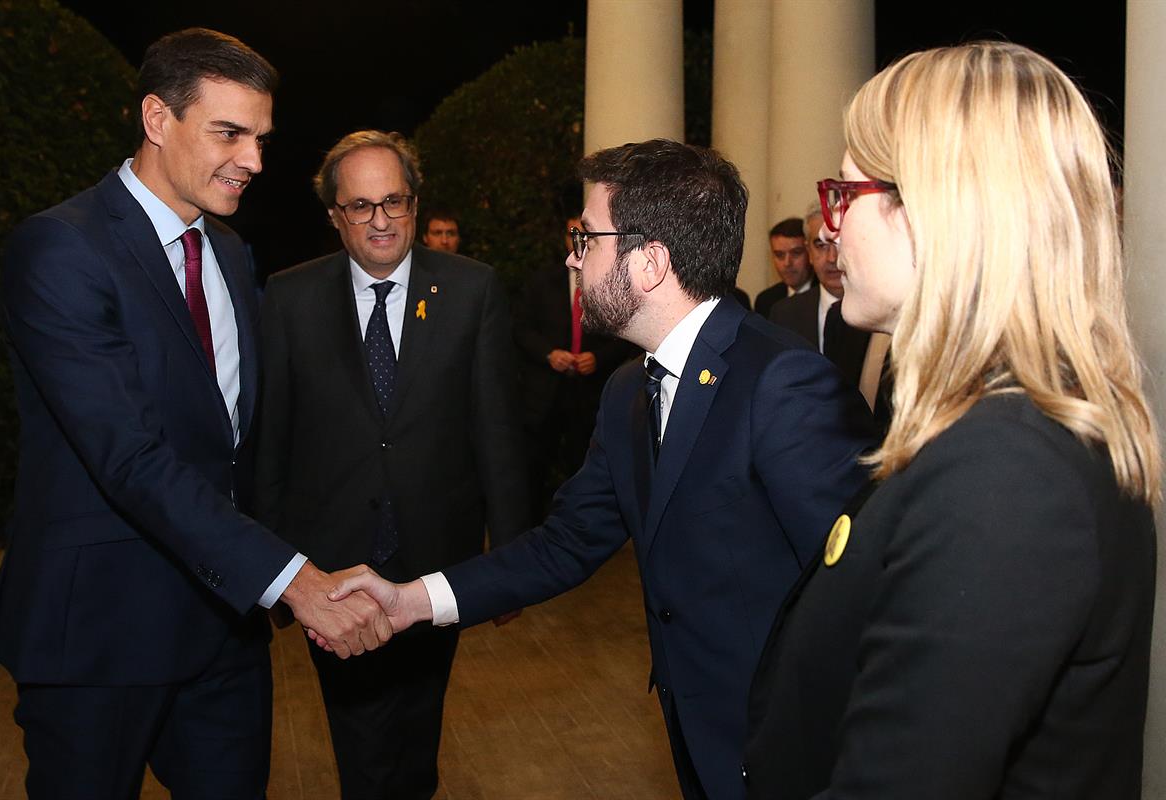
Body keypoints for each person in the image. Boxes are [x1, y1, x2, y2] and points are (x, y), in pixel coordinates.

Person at [327, 139, 879, 800]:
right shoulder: (627, 394)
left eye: (586, 238)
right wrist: (409, 600)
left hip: (792, 755)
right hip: (698, 737)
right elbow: (563, 544)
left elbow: (858, 602)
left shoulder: (784, 385)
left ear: (648, 262)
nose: (572, 255)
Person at [742, 41, 1159, 799]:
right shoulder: (1003, 431)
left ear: (935, 205)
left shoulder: (1007, 471)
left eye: (844, 195)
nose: (827, 232)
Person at [0, 28, 388, 800]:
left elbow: (240, 444)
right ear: (157, 118)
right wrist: (294, 582)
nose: (255, 161)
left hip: (221, 630)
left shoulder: (232, 255)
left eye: (262, 139)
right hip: (98, 638)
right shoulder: (60, 249)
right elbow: (128, 456)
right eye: (229, 133)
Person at [255, 129, 530, 799]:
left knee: (416, 735)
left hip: (438, 562)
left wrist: (512, 569)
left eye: (394, 202)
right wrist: (271, 573)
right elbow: (272, 442)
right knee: (365, 749)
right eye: (361, 206)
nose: (380, 221)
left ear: (414, 203)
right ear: (334, 215)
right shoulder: (289, 298)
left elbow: (498, 431)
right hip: (334, 574)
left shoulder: (473, 290)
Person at [513, 214, 635, 513]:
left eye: (586, 234)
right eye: (573, 234)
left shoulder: (610, 281)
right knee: (536, 467)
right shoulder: (542, 282)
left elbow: (626, 334)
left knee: (583, 466)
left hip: (591, 394)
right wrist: (549, 354)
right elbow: (520, 328)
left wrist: (599, 358)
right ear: (564, 239)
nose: (579, 241)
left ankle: (580, 523)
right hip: (546, 394)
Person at [769, 208, 871, 387]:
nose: (832, 258)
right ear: (808, 251)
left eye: (840, 243)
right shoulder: (784, 314)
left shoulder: (878, 313)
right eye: (821, 245)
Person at [752, 217, 812, 318]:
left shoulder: (828, 295)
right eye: (779, 255)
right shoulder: (766, 301)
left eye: (796, 253)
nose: (787, 263)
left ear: (810, 253)